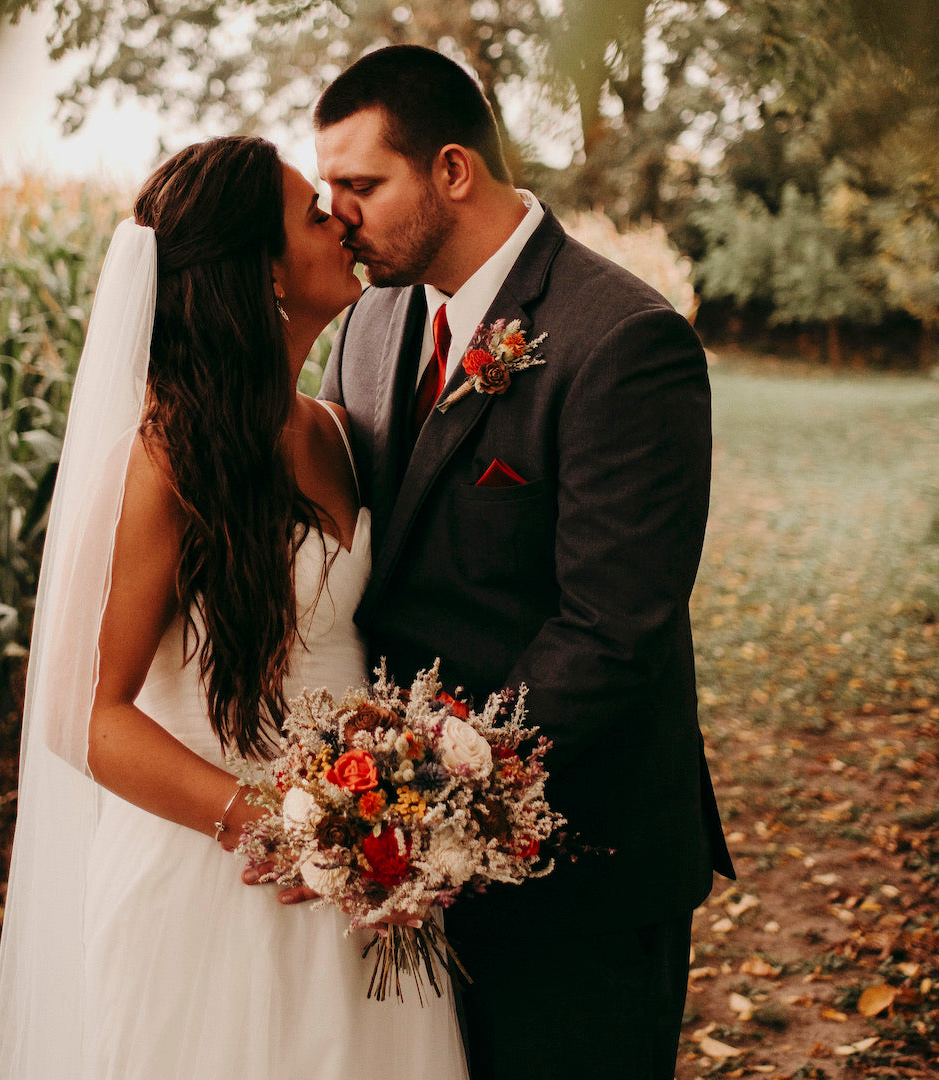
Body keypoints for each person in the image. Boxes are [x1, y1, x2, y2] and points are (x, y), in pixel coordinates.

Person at [0, 135, 468, 1080]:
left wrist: (379, 826)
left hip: (360, 869)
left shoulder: (329, 426)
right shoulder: (161, 458)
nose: (342, 218)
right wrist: (288, 831)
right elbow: (82, 715)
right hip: (212, 874)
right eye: (312, 212)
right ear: (266, 273)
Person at [312, 46, 736, 1080]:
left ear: (452, 169)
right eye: (327, 189)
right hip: (402, 868)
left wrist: (432, 800)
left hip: (576, 865)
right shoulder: (369, 324)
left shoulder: (623, 339)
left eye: (360, 185)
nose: (338, 216)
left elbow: (612, 628)